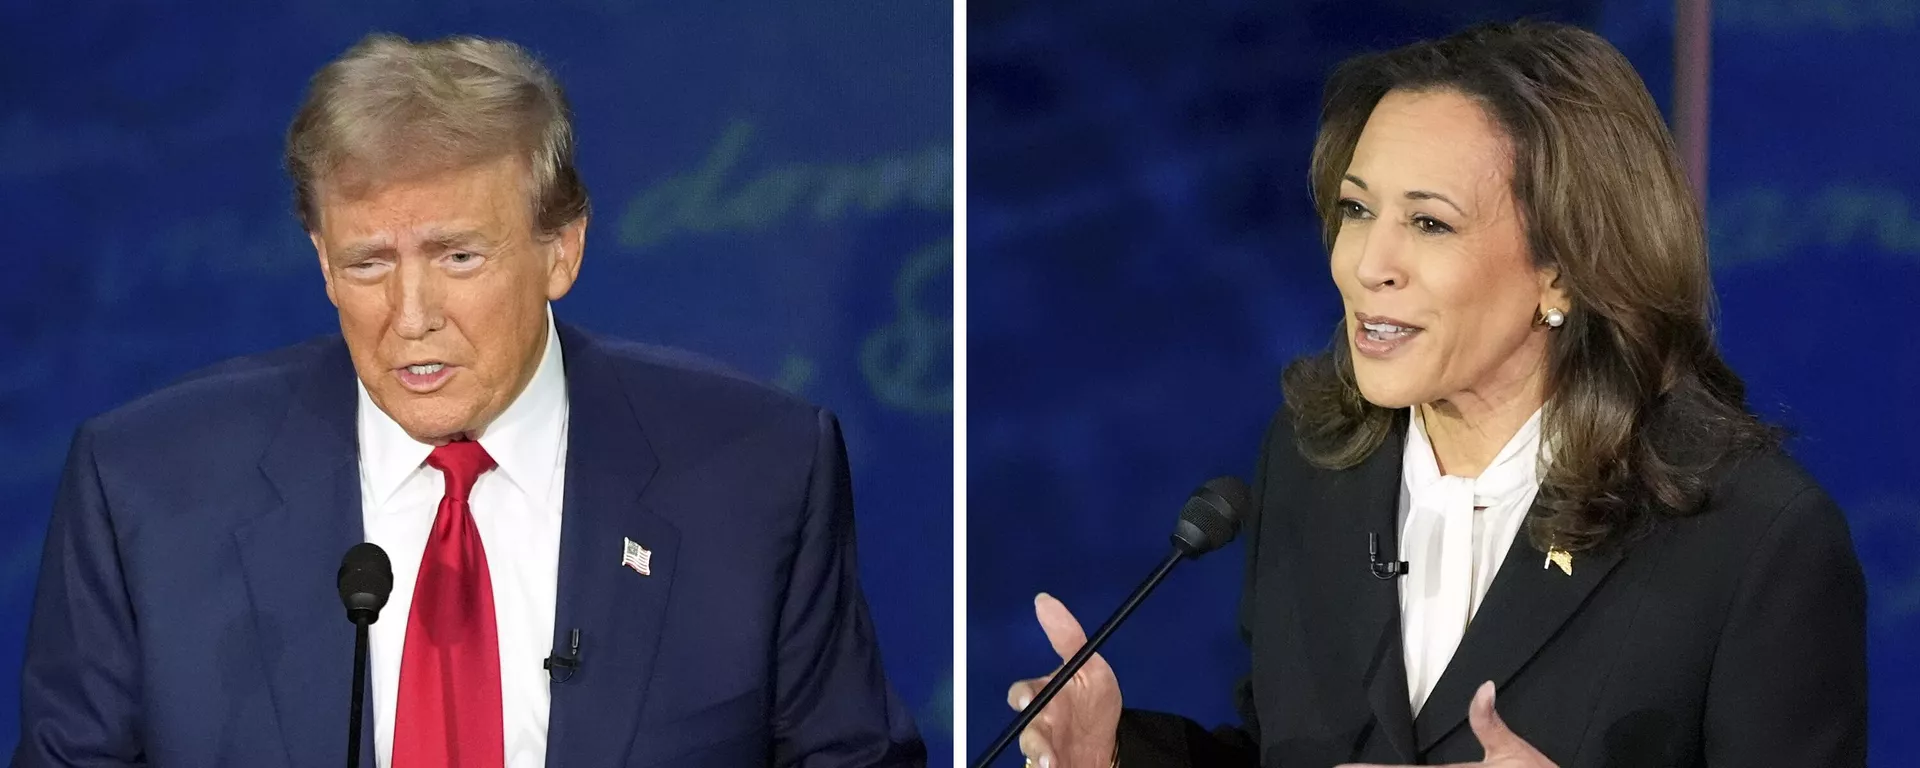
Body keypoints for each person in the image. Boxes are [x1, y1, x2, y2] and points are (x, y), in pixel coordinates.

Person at [15, 34, 924, 768]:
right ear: (322, 260)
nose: (410, 318)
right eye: (368, 262)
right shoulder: (145, 488)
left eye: (458, 257)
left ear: (560, 250)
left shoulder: (756, 473)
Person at [1004, 21, 1866, 768]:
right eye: (1355, 209)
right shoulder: (1315, 466)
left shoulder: (1751, 539)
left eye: (1428, 222)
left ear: (1562, 269)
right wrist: (1111, 754)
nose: (1367, 264)